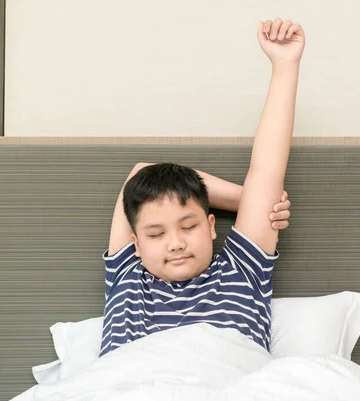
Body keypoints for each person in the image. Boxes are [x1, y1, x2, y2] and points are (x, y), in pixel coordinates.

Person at [100, 18, 305, 357]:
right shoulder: (126, 276)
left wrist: (285, 65)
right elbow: (143, 172)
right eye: (155, 235)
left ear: (211, 226)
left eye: (189, 225)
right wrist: (249, 202)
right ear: (134, 244)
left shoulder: (241, 270)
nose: (176, 244)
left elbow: (267, 169)